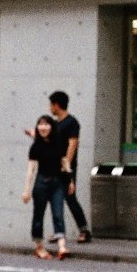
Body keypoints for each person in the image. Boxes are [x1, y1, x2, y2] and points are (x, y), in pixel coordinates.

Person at [22, 114, 70, 259]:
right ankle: (39, 247)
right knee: (38, 215)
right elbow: (31, 170)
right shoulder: (35, 147)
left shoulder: (59, 143)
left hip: (57, 183)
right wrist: (26, 190)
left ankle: (62, 246)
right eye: (40, 124)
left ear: (51, 126)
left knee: (58, 214)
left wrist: (70, 180)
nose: (43, 127)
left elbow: (65, 163)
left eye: (46, 124)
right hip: (41, 183)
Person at [49, 90, 91, 244]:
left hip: (66, 167)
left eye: (51, 105)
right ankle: (59, 232)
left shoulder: (71, 122)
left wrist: (66, 166)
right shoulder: (54, 124)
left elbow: (73, 144)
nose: (50, 108)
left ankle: (84, 230)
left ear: (57, 105)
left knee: (70, 198)